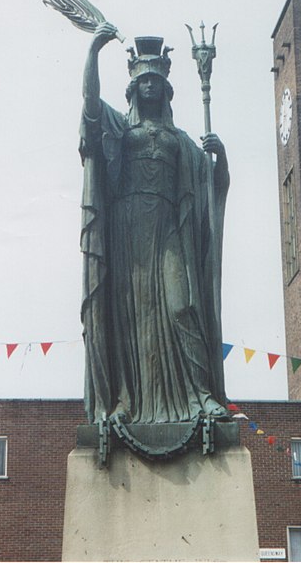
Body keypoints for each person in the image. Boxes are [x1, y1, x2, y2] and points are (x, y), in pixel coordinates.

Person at [80, 22, 230, 424]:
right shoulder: (118, 126)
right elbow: (90, 106)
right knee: (129, 317)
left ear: (165, 89)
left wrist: (220, 158)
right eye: (143, 80)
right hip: (127, 231)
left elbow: (208, 186)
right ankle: (126, 401)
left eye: (156, 81)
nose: (149, 86)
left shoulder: (180, 140)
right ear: (133, 88)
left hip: (167, 228)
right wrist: (94, 50)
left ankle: (201, 395)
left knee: (183, 306)